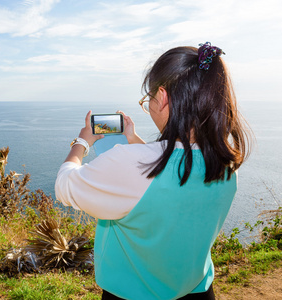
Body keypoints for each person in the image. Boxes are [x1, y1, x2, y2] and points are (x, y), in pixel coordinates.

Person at [54, 42, 252, 300]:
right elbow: (171, 164)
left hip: (132, 294)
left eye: (148, 99)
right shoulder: (226, 164)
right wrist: (133, 138)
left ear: (163, 96)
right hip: (198, 290)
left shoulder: (130, 163)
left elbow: (65, 185)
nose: (148, 106)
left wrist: (81, 142)